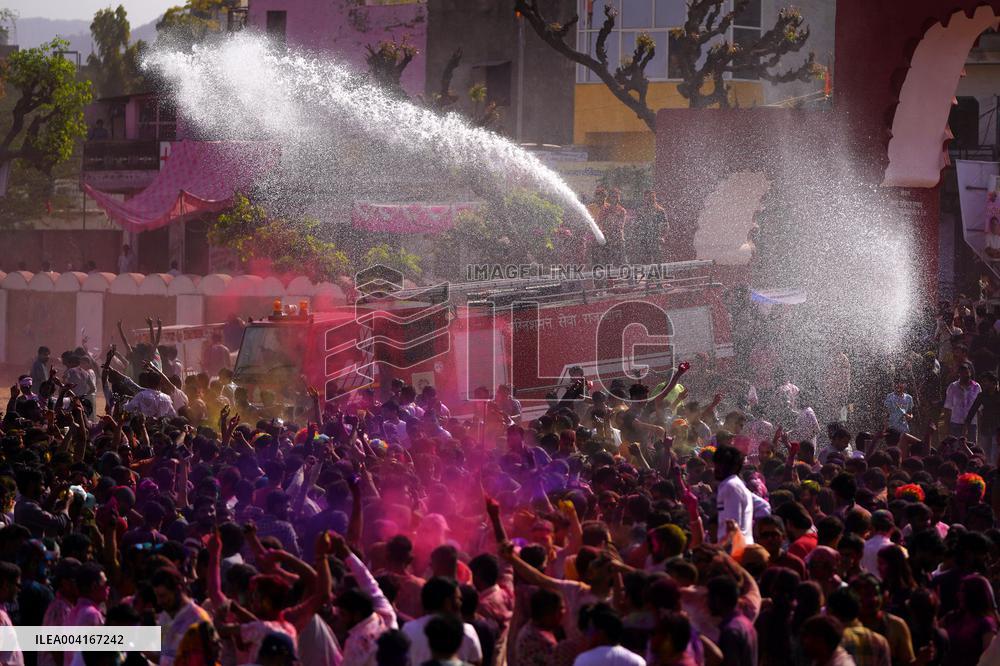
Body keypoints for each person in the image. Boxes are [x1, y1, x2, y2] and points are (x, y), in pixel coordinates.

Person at [402, 577, 482, 666]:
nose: (461, 603)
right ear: (447, 603)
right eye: (458, 599)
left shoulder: (408, 629)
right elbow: (476, 662)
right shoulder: (467, 630)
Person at [714, 445, 755, 544]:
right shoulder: (737, 485)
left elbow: (733, 525)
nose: (716, 469)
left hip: (735, 551)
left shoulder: (730, 486)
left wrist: (722, 549)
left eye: (722, 465)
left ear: (735, 467)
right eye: (716, 464)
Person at [944, 362, 981, 440]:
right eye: (962, 373)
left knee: (971, 448)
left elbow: (979, 409)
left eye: (967, 373)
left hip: (972, 424)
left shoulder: (976, 387)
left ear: (970, 373)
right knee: (956, 448)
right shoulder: (953, 387)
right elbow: (947, 408)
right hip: (956, 423)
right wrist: (946, 427)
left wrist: (980, 425)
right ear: (959, 374)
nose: (965, 375)